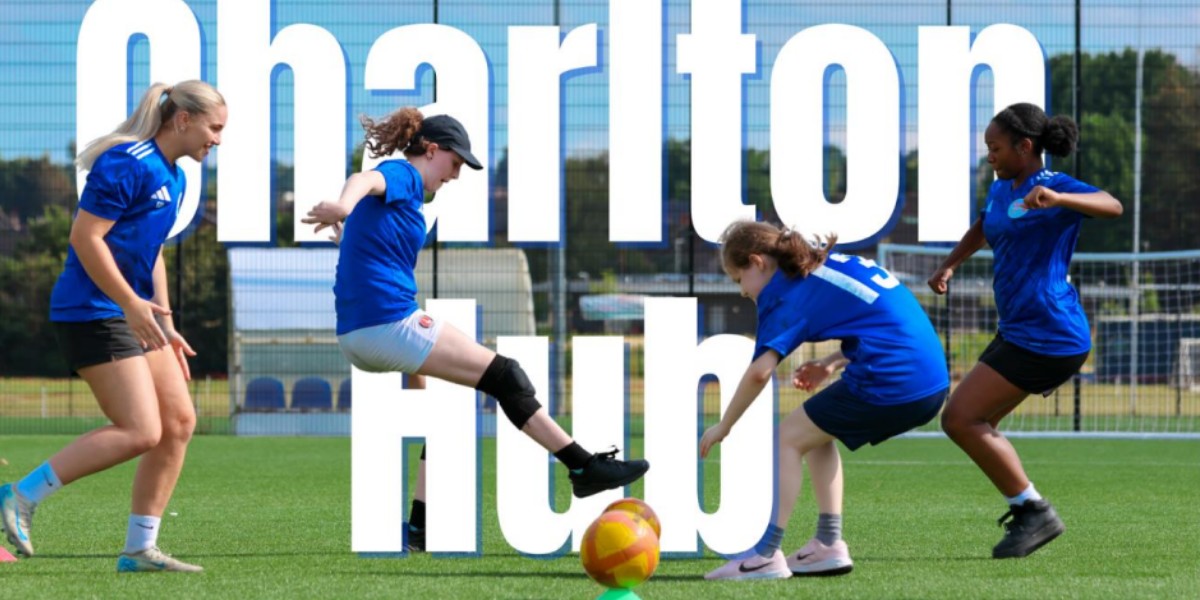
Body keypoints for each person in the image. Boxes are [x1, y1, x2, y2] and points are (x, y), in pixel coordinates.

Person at [302, 108, 650, 552]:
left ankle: (419, 531)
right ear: (431, 150)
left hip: (365, 332)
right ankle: (583, 467)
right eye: (455, 162)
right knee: (507, 376)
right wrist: (343, 206)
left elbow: (369, 235)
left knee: (445, 417)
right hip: (387, 323)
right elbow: (364, 179)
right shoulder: (404, 175)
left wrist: (347, 229)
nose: (457, 174)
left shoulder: (403, 201)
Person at [0, 81, 227, 572]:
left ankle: (139, 549)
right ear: (183, 119)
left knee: (179, 423)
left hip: (130, 312)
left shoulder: (175, 176)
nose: (219, 139)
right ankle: (20, 496)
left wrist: (162, 318)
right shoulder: (128, 161)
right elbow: (86, 237)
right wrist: (130, 304)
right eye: (215, 127)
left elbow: (153, 252)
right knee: (141, 429)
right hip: (90, 312)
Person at [699, 220, 950, 580]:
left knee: (786, 437)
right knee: (815, 430)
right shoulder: (824, 263)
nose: (742, 292)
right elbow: (884, 321)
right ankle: (828, 545)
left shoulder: (783, 290)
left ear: (757, 262)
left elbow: (759, 372)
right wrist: (831, 362)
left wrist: (724, 426)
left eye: (739, 280)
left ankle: (765, 554)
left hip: (896, 379)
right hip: (931, 380)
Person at [928, 103, 1122, 559]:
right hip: (1019, 331)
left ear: (1026, 147)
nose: (990, 156)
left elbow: (1112, 205)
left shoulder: (1052, 187)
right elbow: (984, 226)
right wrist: (950, 264)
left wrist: (1060, 200)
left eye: (995, 148)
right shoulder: (1001, 190)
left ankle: (1034, 510)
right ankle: (1028, 510)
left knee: (959, 419)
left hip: (1050, 334)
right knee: (978, 423)